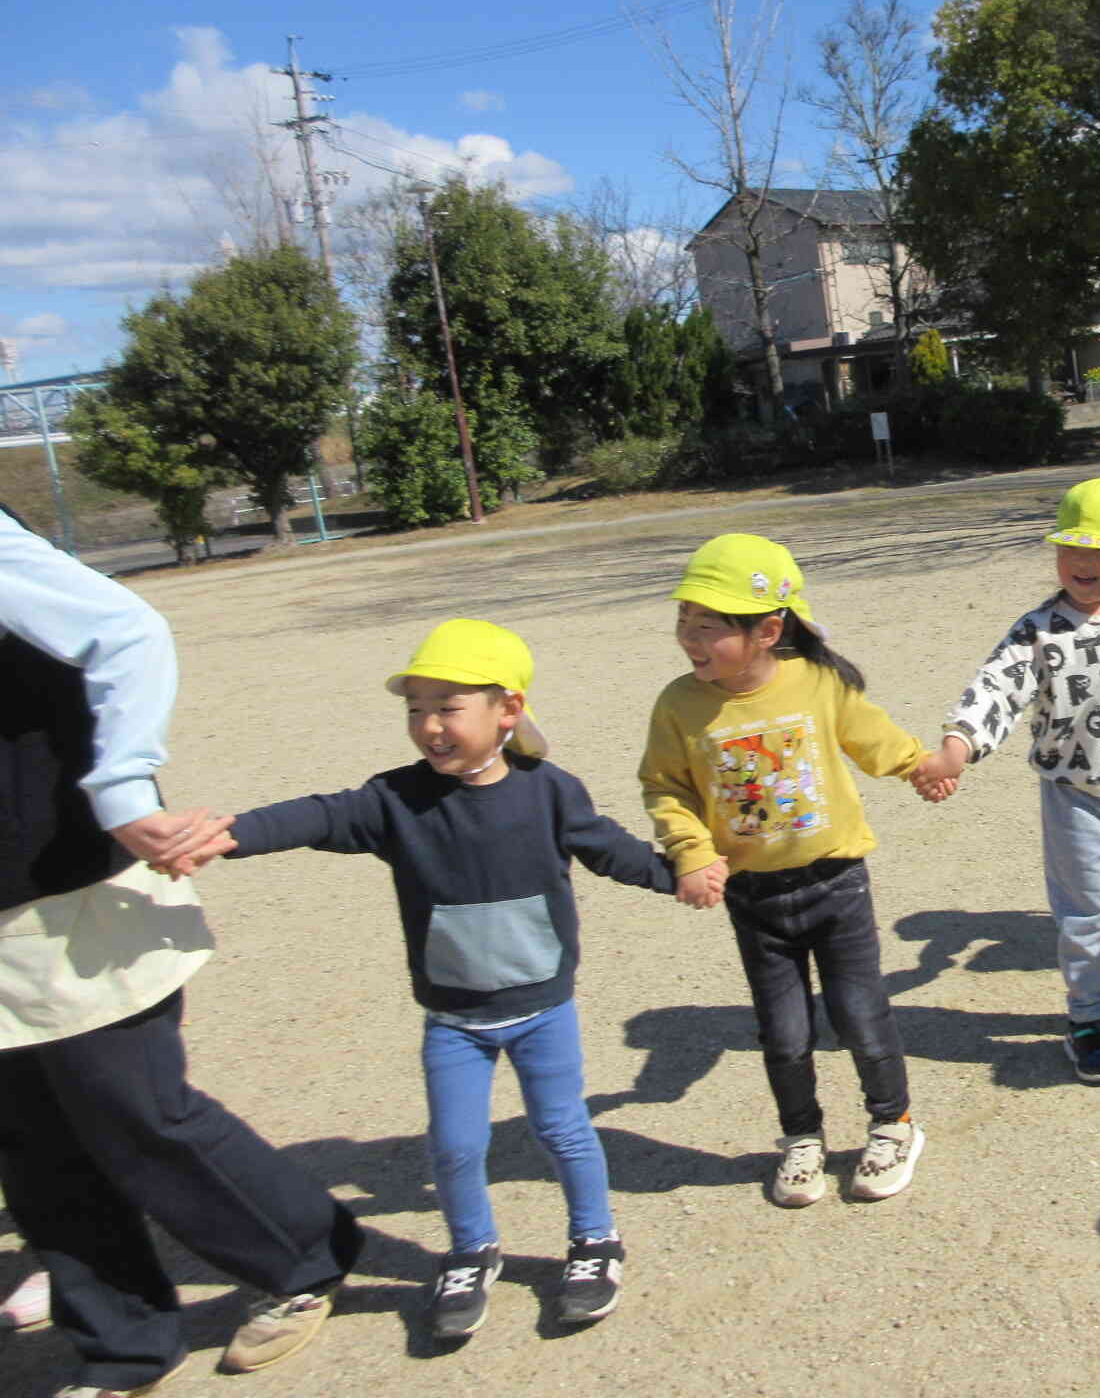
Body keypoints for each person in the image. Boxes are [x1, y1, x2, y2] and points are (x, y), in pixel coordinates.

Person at [213, 618, 671, 1340]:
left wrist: (687, 877)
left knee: (564, 1130)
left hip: (541, 1006)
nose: (428, 726)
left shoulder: (550, 792)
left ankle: (593, 1243)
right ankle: (470, 1252)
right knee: (454, 1145)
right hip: (453, 1019)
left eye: (447, 708)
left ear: (507, 711)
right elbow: (320, 815)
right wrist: (232, 831)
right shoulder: (394, 801)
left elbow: (610, 850)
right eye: (415, 709)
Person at [0, 504, 361, 1395]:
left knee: (134, 1110)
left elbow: (128, 630)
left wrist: (121, 784)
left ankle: (306, 1254)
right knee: (32, 1146)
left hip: (64, 883)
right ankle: (122, 1344)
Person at [640, 535, 947, 1208]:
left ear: (768, 631)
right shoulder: (679, 705)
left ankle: (893, 1124)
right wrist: (690, 851)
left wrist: (920, 765)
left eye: (709, 626)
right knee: (783, 1033)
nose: (690, 639)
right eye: (684, 623)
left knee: (860, 1015)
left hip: (836, 884)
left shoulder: (817, 683)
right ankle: (800, 1136)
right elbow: (666, 788)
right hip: (755, 900)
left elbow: (872, 735)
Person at [921, 477, 1100, 1085]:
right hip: (1076, 800)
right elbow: (997, 687)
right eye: (1070, 549)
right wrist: (958, 746)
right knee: (1093, 918)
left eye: (1099, 550)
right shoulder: (1041, 631)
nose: (1081, 563)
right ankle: (1087, 1019)